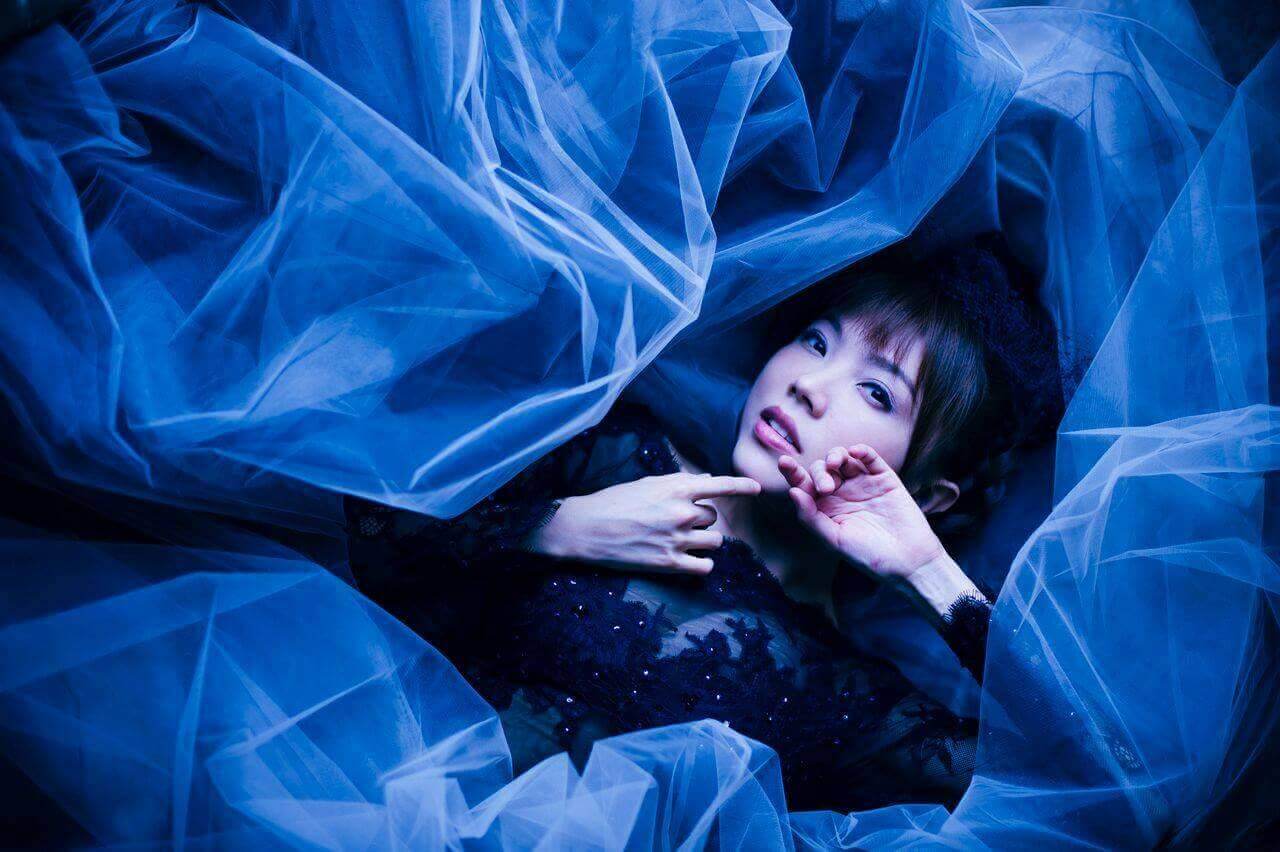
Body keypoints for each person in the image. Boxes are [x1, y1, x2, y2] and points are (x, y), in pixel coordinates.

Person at [346, 235, 1063, 812]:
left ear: (929, 497)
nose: (807, 384)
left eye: (876, 391)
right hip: (358, 779)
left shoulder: (849, 700)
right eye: (816, 341)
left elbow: (1080, 790)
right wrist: (559, 526)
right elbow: (364, 527)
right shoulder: (621, 452)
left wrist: (929, 573)